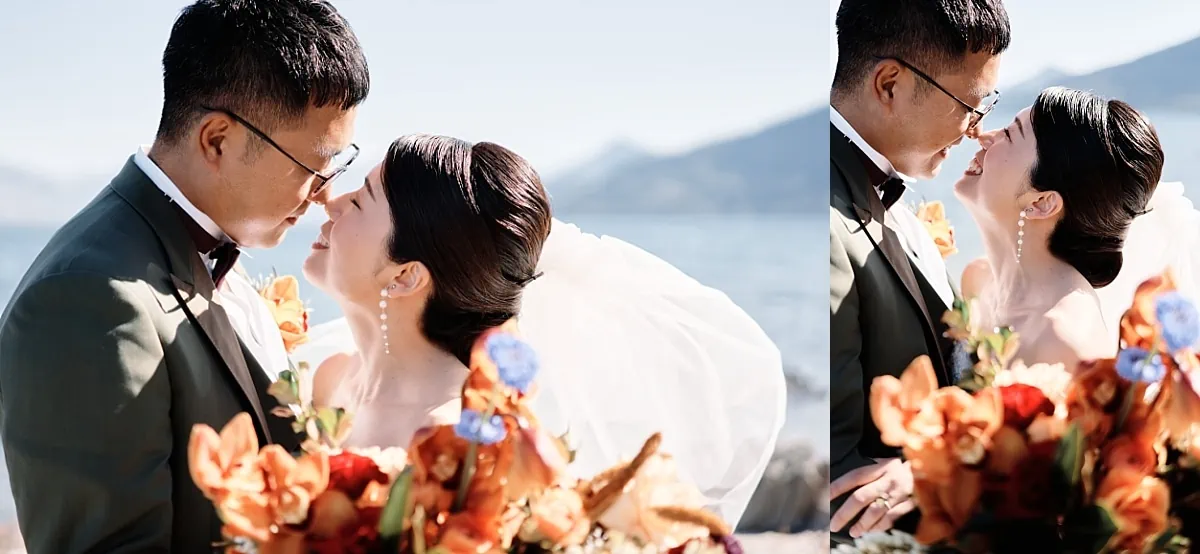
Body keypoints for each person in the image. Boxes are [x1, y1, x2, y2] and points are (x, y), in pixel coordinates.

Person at [0, 1, 369, 551]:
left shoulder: (208, 236)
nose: (324, 194)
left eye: (338, 165)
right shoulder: (86, 296)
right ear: (217, 140)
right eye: (313, 166)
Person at [288, 134, 788, 526]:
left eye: (360, 201)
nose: (331, 201)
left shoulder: (461, 442)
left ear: (406, 275)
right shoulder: (328, 378)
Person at [827, 0, 1010, 544]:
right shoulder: (828, 221)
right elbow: (840, 474)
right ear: (888, 84)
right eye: (969, 105)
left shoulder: (890, 199)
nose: (978, 131)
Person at [953, 87, 1164, 369]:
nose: (984, 137)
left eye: (1010, 134)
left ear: (1042, 202)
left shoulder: (1063, 343)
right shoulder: (978, 281)